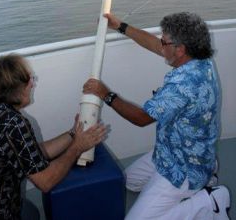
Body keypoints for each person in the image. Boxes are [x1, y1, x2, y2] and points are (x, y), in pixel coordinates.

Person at [83, 12, 230, 220]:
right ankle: (205, 177)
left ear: (180, 50)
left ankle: (208, 200)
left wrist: (105, 93)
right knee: (127, 182)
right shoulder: (198, 57)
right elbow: (154, 44)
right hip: (169, 150)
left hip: (184, 167)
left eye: (164, 41)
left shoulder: (183, 85)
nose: (160, 44)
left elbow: (141, 118)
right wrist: (120, 26)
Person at [0, 54, 106, 219]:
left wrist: (73, 133)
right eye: (30, 80)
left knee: (31, 212)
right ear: (18, 88)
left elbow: (31, 153)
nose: (33, 84)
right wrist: (77, 148)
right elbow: (46, 182)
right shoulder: (13, 123)